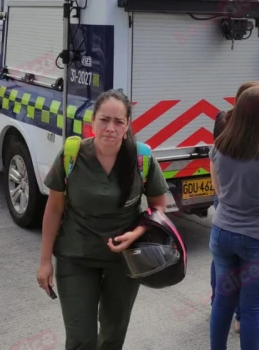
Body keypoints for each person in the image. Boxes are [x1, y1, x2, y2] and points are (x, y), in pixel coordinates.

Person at [36, 89, 169, 350]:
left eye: (119, 122)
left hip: (125, 262)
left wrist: (137, 233)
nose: (111, 128)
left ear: (128, 125)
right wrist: (44, 262)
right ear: (93, 121)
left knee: (112, 336)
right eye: (104, 120)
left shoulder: (141, 158)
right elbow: (53, 209)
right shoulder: (71, 155)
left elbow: (158, 207)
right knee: (80, 339)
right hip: (76, 257)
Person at [211, 80, 259, 334]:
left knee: (223, 300)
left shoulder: (219, 147)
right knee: (252, 307)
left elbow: (218, 191)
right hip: (255, 239)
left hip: (221, 232)